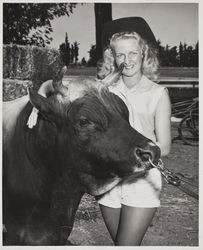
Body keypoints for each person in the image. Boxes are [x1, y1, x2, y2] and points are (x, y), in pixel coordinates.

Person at [27, 17, 171, 246]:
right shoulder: (104, 90)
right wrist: (41, 100)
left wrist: (144, 153)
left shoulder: (158, 94)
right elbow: (58, 87)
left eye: (133, 53)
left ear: (144, 54)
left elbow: (166, 144)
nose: (128, 60)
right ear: (113, 58)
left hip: (141, 178)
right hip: (110, 178)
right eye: (121, 55)